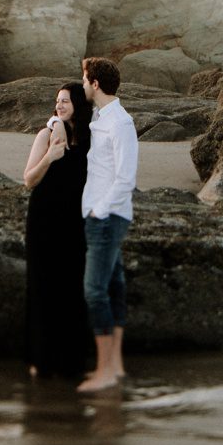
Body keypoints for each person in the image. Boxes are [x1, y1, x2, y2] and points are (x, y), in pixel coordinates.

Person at [21, 82, 93, 379]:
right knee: (42, 286)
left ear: (78, 103)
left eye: (65, 100)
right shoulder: (46, 134)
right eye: (57, 101)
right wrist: (50, 156)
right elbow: (29, 180)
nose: (60, 105)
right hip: (44, 220)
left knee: (72, 287)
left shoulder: (90, 138)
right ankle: (41, 358)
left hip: (76, 221)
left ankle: (72, 359)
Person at [77, 56, 137, 393]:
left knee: (94, 291)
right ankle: (114, 366)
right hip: (100, 214)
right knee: (114, 286)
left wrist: (99, 211)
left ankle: (104, 371)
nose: (83, 84)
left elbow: (125, 178)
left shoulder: (120, 123)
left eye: (85, 79)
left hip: (107, 216)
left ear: (95, 83)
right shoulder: (101, 117)